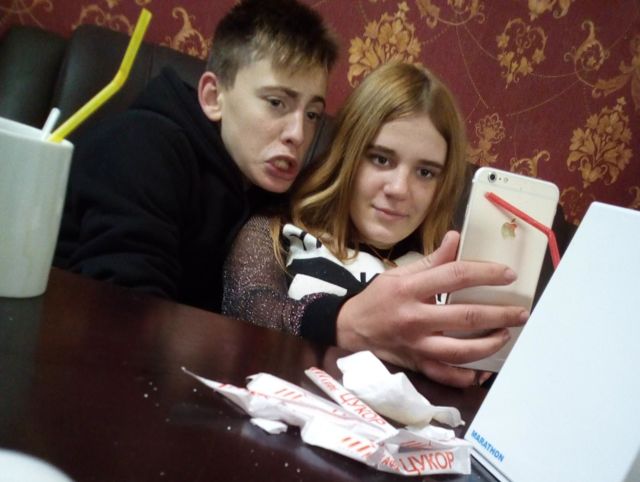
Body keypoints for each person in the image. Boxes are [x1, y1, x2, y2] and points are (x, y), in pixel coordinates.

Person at [222, 62, 528, 388]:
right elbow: (248, 309)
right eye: (381, 159)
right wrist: (345, 322)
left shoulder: (452, 277)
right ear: (347, 156)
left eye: (425, 172)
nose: (399, 189)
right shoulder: (273, 232)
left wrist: (485, 360)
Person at [53, 0, 338, 312]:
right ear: (213, 97)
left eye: (312, 114)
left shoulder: (265, 191)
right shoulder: (143, 146)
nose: (298, 134)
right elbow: (124, 308)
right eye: (276, 102)